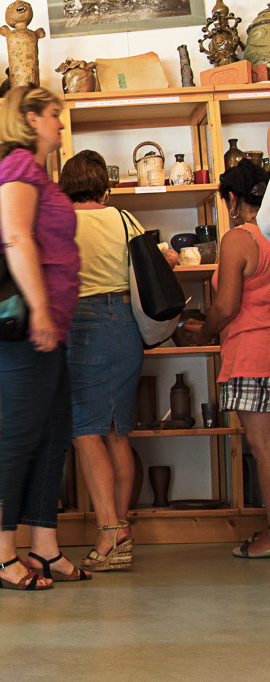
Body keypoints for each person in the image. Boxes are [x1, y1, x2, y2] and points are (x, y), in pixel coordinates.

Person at [0, 86, 86, 591]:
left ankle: (44, 547)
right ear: (30, 118)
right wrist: (39, 309)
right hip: (27, 321)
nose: (61, 123)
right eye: (55, 114)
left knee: (54, 434)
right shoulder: (18, 166)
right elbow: (16, 237)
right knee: (20, 435)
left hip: (50, 321)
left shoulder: (36, 172)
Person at [58, 150, 176, 571]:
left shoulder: (60, 222)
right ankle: (118, 529)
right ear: (103, 187)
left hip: (83, 324)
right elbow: (163, 261)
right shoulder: (125, 220)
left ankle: (110, 533)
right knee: (116, 433)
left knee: (84, 431)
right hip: (126, 325)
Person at [194, 159, 270, 557]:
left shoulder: (240, 238)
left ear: (233, 200)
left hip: (252, 356)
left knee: (264, 448)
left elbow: (225, 307)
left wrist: (202, 333)